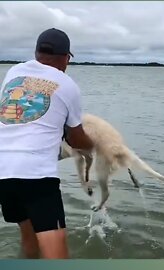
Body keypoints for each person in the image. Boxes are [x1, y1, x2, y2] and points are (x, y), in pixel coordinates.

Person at [0, 28, 94, 259]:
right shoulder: (67, 84)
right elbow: (76, 138)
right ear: (66, 58)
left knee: (29, 237)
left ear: (36, 52)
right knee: (57, 256)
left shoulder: (14, 72)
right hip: (37, 176)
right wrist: (95, 146)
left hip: (3, 172)